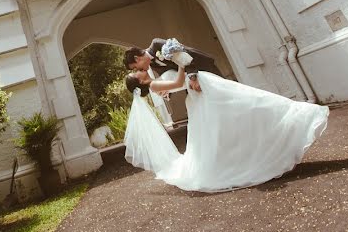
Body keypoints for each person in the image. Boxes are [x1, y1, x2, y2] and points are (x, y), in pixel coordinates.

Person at [123, 54, 329, 193]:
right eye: (136, 73)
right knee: (247, 107)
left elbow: (174, 86)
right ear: (140, 82)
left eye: (135, 69)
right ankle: (292, 120)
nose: (139, 70)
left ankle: (289, 121)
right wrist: (180, 62)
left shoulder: (155, 81)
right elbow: (178, 82)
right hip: (203, 93)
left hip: (203, 89)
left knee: (243, 107)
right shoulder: (154, 84)